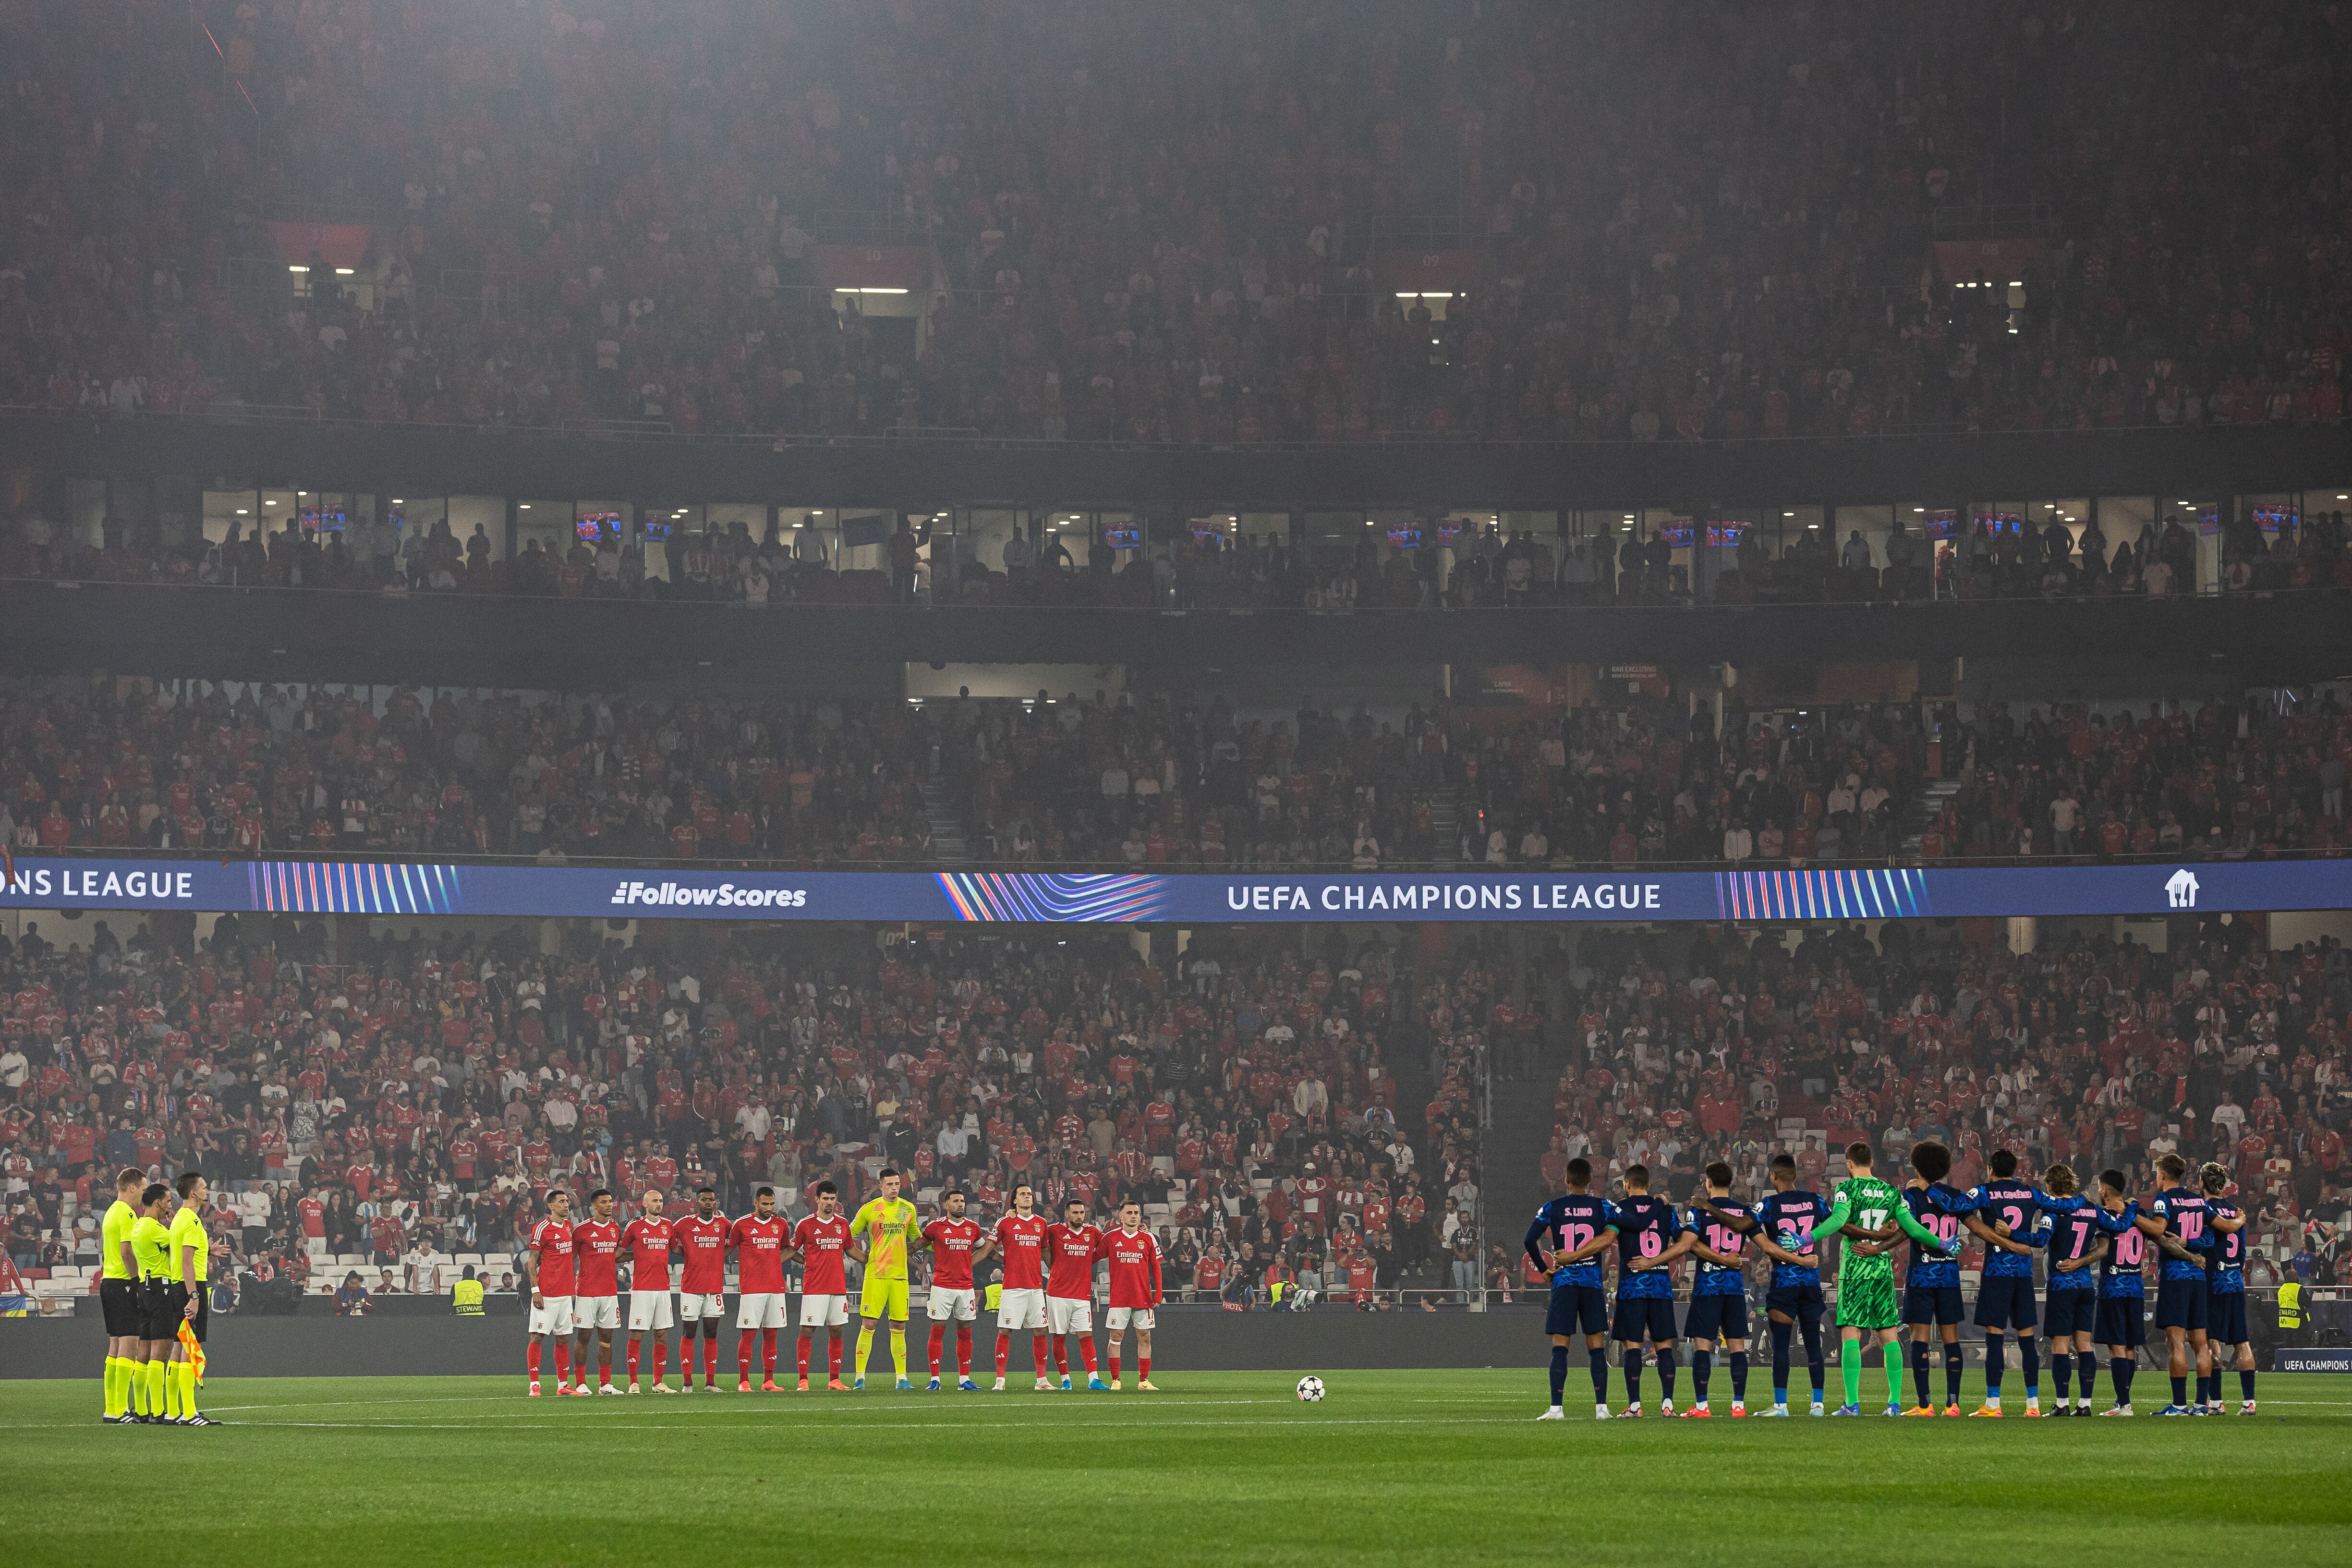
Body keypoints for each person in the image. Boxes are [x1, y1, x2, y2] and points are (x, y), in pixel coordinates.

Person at [1700, 1152, 1829, 1415]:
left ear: (1773, 1176)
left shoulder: (1769, 1205)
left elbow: (1739, 1225)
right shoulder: (1816, 1201)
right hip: (1811, 1281)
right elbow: (1837, 1223)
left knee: (1780, 1345)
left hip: (1783, 1283)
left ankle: (1781, 1405)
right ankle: (1818, 1404)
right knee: (1814, 1343)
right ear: (1796, 1175)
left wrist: (1709, 1207)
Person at [1965, 1148, 2085, 1416]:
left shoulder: (1983, 1191)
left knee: (1994, 1339)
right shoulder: (2031, 1193)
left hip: (1997, 1273)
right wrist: (2085, 1199)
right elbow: (2067, 1205)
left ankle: (1993, 1405)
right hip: (2023, 1275)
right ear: (2015, 1171)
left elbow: (1957, 1205)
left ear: (1991, 1170)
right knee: (2027, 1340)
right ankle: (2033, 1405)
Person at [1525, 1155, 1615, 1420]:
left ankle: (1556, 1409)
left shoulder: (1553, 1207)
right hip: (1591, 1283)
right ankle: (1602, 1409)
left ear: (1566, 1179)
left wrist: (1545, 1270)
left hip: (1564, 1281)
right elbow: (1623, 1226)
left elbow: (1530, 1239)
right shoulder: (1603, 1206)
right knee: (1596, 1347)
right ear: (1590, 1181)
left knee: (1560, 1347)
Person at [1897, 1141, 1974, 1415]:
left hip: (1921, 1275)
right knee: (1951, 1338)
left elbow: (1908, 1229)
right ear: (1945, 1168)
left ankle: (1924, 1404)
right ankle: (1953, 1403)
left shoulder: (1911, 1195)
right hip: (1949, 1276)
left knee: (1919, 1337)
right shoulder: (1954, 1194)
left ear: (1916, 1167)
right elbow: (1969, 1209)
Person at [2137, 1152, 2215, 1416]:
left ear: (2162, 1175)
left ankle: (2180, 1405)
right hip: (2198, 1276)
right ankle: (2202, 1405)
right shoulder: (2199, 1200)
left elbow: (2159, 1229)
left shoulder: (2163, 1200)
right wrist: (2190, 1243)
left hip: (2175, 1276)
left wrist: (2135, 1217)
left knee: (2176, 1341)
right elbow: (2209, 1239)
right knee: (2201, 1342)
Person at [1678, 1162, 1752, 1418]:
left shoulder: (1698, 1210)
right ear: (1731, 1183)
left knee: (1702, 1346)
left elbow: (1691, 1245)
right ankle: (1739, 1406)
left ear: (1708, 1182)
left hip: (1707, 1286)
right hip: (1733, 1286)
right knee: (1737, 1347)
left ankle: (1702, 1407)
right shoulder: (1744, 1211)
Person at [2036, 1165, 2107, 1416]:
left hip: (2061, 1285)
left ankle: (2063, 1404)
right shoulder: (2092, 1210)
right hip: (2086, 1285)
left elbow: (2040, 1240)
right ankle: (2085, 1405)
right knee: (2085, 1345)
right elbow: (2103, 1247)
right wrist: (2080, 1263)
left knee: (2061, 1346)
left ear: (2050, 1186)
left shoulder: (2054, 1209)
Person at [848, 1167, 921, 1390]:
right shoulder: (869, 1210)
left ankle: (902, 1378)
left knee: (899, 1325)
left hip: (900, 1276)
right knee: (869, 1323)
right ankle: (860, 1377)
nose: (894, 1188)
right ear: (880, 1186)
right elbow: (847, 1236)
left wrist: (910, 1251)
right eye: (889, 1185)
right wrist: (863, 1258)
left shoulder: (908, 1209)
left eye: (897, 1184)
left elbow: (917, 1237)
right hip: (876, 1275)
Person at [919, 1187, 991, 1392]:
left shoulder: (973, 1227)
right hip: (942, 1286)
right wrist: (896, 1250)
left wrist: (1004, 1261)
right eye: (956, 1201)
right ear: (946, 1205)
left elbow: (984, 1249)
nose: (961, 1204)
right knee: (938, 1330)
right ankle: (935, 1380)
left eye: (963, 1201)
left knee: (965, 1333)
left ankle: (964, 1380)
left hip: (966, 1287)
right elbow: (919, 1245)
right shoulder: (935, 1227)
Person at [2091, 1169, 2151, 1415]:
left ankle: (2124, 1404)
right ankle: (2123, 1402)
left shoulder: (2105, 1216)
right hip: (2136, 1286)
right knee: (2128, 1348)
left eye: (2098, 1187)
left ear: (2105, 1190)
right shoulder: (2139, 1213)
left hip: (2113, 1287)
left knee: (2117, 1347)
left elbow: (2102, 1249)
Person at [2199, 1163, 2255, 1414]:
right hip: (2235, 1281)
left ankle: (2216, 1403)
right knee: (2242, 1343)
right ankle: (2249, 1403)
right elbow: (2242, 1252)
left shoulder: (2205, 1210)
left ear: (2202, 1183)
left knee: (2213, 1342)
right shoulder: (2236, 1211)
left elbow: (2204, 1243)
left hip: (2214, 1282)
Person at [788, 1179, 852, 1392]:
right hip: (814, 1287)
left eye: (833, 1199)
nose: (829, 1203)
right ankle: (803, 1380)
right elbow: (792, 1249)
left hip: (837, 1288)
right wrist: (802, 1261)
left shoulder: (842, 1224)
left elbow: (850, 1250)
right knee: (807, 1331)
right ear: (817, 1200)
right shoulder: (805, 1225)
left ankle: (834, 1380)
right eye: (825, 1199)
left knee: (837, 1331)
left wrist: (871, 1259)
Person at [166, 1170, 218, 1424]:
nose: (208, 1191)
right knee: (189, 1347)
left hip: (179, 1287)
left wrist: (209, 1251)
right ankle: (189, 1412)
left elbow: (186, 1256)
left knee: (178, 1347)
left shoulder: (180, 1218)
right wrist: (194, 1296)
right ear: (194, 1192)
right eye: (204, 1187)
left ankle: (173, 1411)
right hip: (190, 1288)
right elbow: (187, 1262)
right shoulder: (190, 1220)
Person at [990, 1181, 1053, 1391]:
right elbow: (990, 1248)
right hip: (1012, 1287)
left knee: (1040, 1331)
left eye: (1029, 1193)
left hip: (1036, 1288)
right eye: (1022, 1194)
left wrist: (1056, 1272)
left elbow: (1045, 1252)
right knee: (1005, 1330)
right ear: (1014, 1200)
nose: (1027, 1196)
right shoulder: (1004, 1222)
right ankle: (1000, 1380)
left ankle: (1042, 1381)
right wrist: (1004, 1261)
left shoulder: (1041, 1223)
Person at [729, 1186, 791, 1392]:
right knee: (748, 1335)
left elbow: (785, 1249)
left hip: (775, 1288)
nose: (769, 1207)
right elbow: (729, 1248)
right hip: (752, 1289)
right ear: (756, 1203)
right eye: (765, 1204)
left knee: (771, 1335)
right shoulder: (742, 1225)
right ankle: (744, 1381)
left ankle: (768, 1381)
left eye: (772, 1204)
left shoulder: (781, 1224)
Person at [1099, 1199, 1164, 1392]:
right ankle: (1116, 1380)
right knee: (1116, 1337)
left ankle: (1144, 1381)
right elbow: (1093, 1257)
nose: (1134, 1216)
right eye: (1130, 1213)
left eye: (1136, 1213)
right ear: (1121, 1216)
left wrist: (1158, 1294)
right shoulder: (1110, 1238)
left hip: (1142, 1296)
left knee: (1145, 1337)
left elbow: (1156, 1267)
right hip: (1119, 1297)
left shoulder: (1148, 1238)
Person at [1044, 1196, 1107, 1392]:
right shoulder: (1054, 1231)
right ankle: (1065, 1380)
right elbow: (1039, 1243)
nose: (1080, 1216)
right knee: (1059, 1337)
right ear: (1066, 1214)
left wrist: (1090, 1259)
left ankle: (1094, 1379)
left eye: (1082, 1213)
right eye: (1076, 1213)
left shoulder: (1093, 1232)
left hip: (1081, 1295)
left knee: (1086, 1336)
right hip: (1057, 1294)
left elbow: (1107, 1247)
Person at [672, 1186, 731, 1391]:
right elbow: (669, 1238)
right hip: (691, 1288)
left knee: (711, 1333)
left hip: (714, 1289)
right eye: (704, 1199)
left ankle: (710, 1383)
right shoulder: (685, 1224)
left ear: (715, 1203)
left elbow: (741, 1235)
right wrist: (685, 1253)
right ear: (697, 1202)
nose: (708, 1202)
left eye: (711, 1200)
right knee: (689, 1333)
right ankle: (687, 1383)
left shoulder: (723, 1224)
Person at [98, 1166, 145, 1423]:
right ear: (132, 1188)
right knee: (129, 1344)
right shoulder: (127, 1213)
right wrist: (137, 1281)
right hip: (123, 1282)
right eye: (142, 1188)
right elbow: (127, 1251)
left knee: (115, 1344)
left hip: (109, 1282)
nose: (143, 1193)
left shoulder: (111, 1212)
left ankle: (113, 1409)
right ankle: (121, 1409)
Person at [128, 1182, 177, 1424]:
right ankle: (158, 1412)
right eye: (168, 1201)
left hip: (145, 1289)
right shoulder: (155, 1229)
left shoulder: (138, 1226)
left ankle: (140, 1410)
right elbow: (179, 1249)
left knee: (144, 1353)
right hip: (160, 1288)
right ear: (158, 1203)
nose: (170, 1206)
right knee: (160, 1353)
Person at [621, 1186, 676, 1393]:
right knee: (637, 1334)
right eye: (654, 1201)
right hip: (642, 1289)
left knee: (662, 1335)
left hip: (663, 1289)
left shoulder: (668, 1226)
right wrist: (637, 1255)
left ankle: (658, 1383)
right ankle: (633, 1382)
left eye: (661, 1201)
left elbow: (676, 1250)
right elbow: (618, 1253)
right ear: (644, 1204)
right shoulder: (634, 1227)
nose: (659, 1204)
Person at [524, 1189, 578, 1398]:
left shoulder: (568, 1226)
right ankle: (534, 1384)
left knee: (563, 1339)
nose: (567, 1204)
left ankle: (563, 1385)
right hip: (546, 1294)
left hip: (565, 1294)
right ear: (551, 1206)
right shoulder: (542, 1229)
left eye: (568, 1201)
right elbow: (531, 1263)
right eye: (562, 1201)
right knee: (537, 1337)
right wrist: (536, 1291)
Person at [571, 1188, 625, 1394]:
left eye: (610, 1202)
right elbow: (571, 1259)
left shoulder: (615, 1228)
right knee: (583, 1337)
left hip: (610, 1292)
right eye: (604, 1202)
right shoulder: (582, 1230)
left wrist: (640, 1253)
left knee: (607, 1339)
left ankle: (605, 1384)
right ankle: (581, 1382)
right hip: (586, 1291)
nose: (609, 1205)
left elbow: (615, 1256)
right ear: (594, 1206)